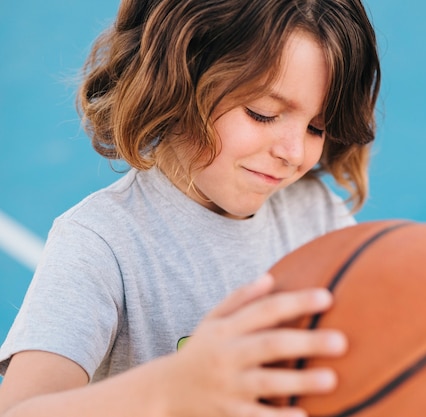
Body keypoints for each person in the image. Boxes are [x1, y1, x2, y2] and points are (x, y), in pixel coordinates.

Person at [0, 0, 380, 416]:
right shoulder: (102, 244)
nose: (293, 152)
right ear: (177, 81)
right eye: (262, 114)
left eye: (316, 128)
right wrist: (170, 389)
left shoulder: (317, 216)